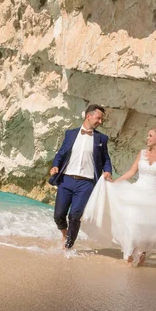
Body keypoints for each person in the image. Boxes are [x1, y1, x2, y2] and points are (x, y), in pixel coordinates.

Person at [81, 126, 156, 273]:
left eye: (150, 136)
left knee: (147, 227)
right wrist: (115, 182)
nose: (147, 138)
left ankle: (142, 251)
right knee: (133, 222)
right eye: (147, 136)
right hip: (137, 192)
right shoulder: (142, 153)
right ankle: (131, 252)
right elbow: (131, 172)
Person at [49, 104, 113, 249]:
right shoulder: (70, 134)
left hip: (86, 183)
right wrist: (55, 165)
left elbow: (106, 159)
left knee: (75, 215)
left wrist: (108, 170)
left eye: (101, 119)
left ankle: (68, 246)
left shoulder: (102, 138)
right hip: (66, 180)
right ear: (88, 116)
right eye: (98, 118)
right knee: (59, 215)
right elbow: (61, 153)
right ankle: (65, 235)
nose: (100, 122)